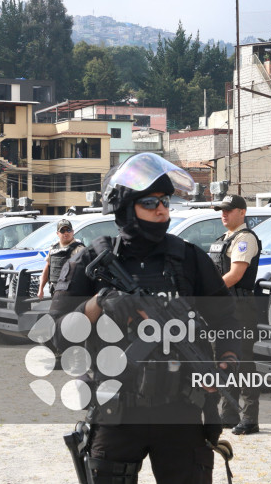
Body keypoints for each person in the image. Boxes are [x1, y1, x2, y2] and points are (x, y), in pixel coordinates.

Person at [50, 153, 240, 483]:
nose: (162, 210)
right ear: (126, 208)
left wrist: (227, 359)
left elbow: (227, 319)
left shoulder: (189, 259)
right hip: (116, 410)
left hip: (181, 410)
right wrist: (99, 303)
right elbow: (57, 335)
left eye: (165, 201)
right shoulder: (90, 260)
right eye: (150, 202)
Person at [210, 194, 262, 435]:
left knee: (243, 363)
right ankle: (228, 414)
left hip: (239, 307)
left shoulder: (245, 238)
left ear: (242, 212)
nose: (224, 214)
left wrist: (209, 292)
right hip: (223, 307)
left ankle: (250, 418)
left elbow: (235, 275)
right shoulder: (224, 239)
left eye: (229, 210)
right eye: (222, 210)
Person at [37, 219, 85, 299]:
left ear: (72, 232)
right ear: (58, 233)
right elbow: (47, 269)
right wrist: (41, 288)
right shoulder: (53, 248)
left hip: (72, 293)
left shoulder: (79, 249)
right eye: (62, 231)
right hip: (55, 291)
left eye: (68, 230)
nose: (66, 233)